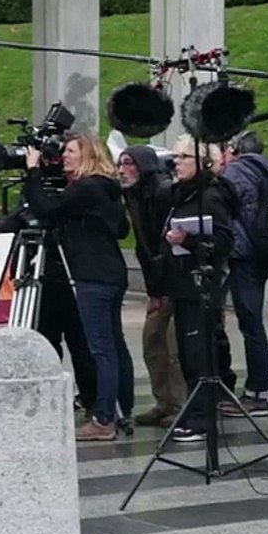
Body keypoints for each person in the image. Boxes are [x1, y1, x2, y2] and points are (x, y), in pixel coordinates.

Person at [12, 133, 133, 441]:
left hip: (92, 276)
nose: (63, 155)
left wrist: (33, 171)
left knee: (101, 349)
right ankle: (121, 409)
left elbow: (43, 208)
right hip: (111, 272)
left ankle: (104, 419)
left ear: (87, 154)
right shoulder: (107, 188)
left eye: (70, 151)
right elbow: (121, 229)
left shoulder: (87, 188)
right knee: (114, 346)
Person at [156, 135, 238, 442]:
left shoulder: (211, 196)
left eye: (183, 158)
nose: (176, 163)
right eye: (176, 157)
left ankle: (202, 417)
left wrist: (187, 240)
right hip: (181, 281)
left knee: (198, 352)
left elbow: (224, 241)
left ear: (203, 163)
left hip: (199, 284)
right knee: (188, 352)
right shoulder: (181, 194)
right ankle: (195, 411)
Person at [217, 130, 268, 417]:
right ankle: (256, 390)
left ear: (233, 149)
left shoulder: (235, 172)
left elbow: (228, 211)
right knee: (253, 323)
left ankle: (256, 394)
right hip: (266, 249)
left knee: (251, 323)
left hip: (244, 253)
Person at [119, 146, 188, 427]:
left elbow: (165, 244)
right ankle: (164, 402)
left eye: (128, 163)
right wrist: (153, 291)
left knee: (174, 347)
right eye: (120, 163)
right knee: (152, 342)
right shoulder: (133, 195)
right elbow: (145, 250)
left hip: (175, 279)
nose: (122, 169)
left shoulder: (162, 192)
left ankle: (181, 405)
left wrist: (165, 289)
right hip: (157, 281)